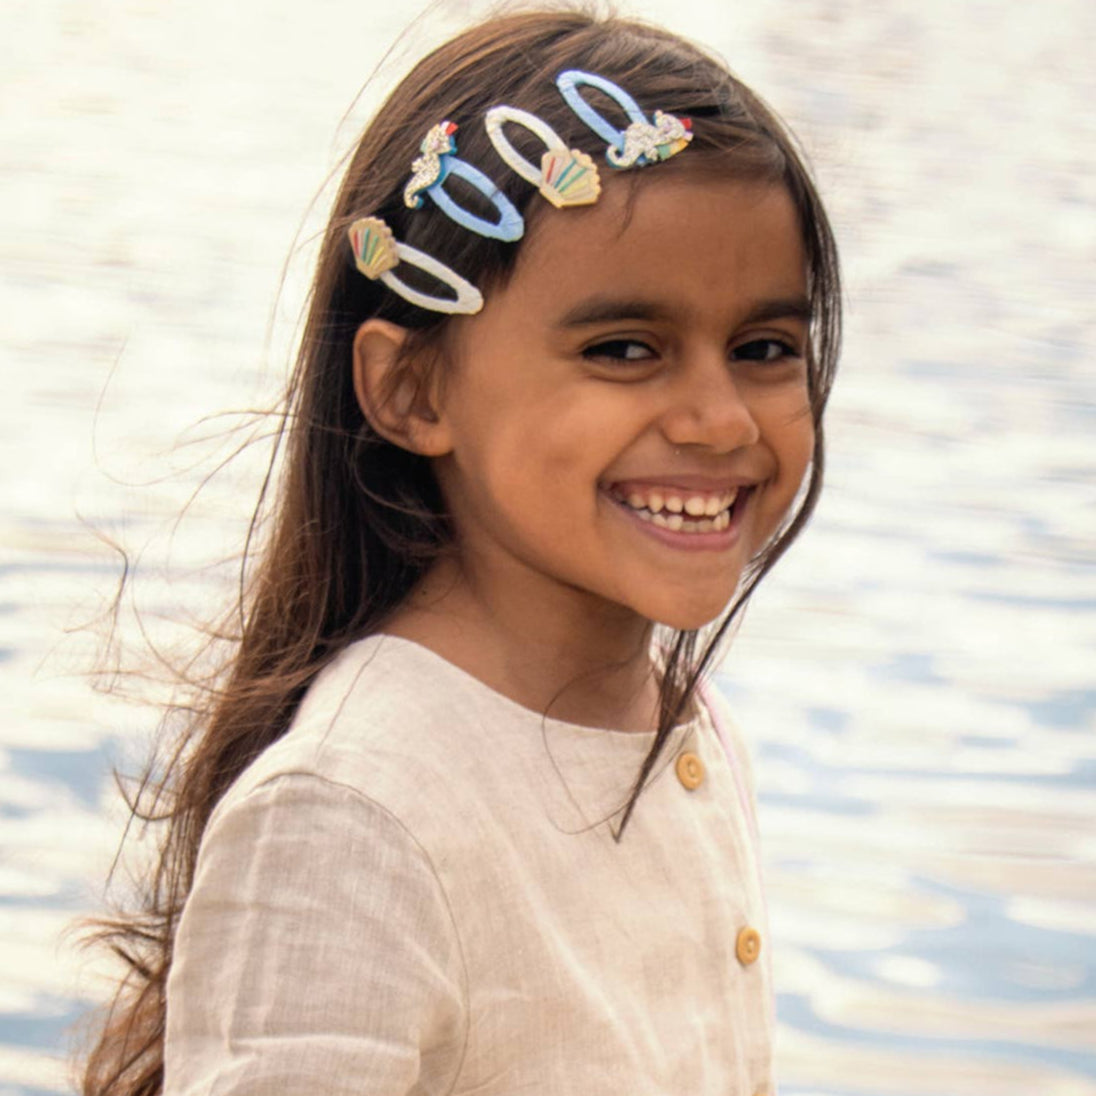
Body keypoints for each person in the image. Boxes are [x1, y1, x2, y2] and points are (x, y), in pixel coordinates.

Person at [82, 7, 840, 1095]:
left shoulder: (685, 725)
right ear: (411, 388)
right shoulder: (352, 814)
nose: (720, 419)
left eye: (764, 347)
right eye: (624, 348)